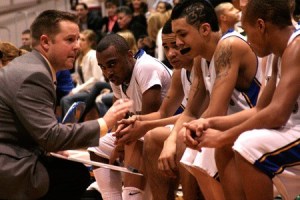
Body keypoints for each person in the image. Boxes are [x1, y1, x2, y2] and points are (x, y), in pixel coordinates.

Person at [0, 10, 132, 199]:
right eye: (70, 40)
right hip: (7, 165)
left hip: (13, 152)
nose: (78, 46)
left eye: (78, 39)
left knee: (73, 172)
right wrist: (105, 122)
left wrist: (49, 145)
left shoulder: (32, 66)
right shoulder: (33, 75)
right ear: (45, 42)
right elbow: (51, 136)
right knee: (75, 176)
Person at [183, 0, 300, 199]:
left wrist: (222, 136)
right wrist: (208, 122)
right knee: (227, 146)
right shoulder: (276, 54)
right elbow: (259, 110)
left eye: (246, 31)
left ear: (261, 26)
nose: (247, 39)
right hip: (292, 130)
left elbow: (277, 114)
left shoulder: (296, 47)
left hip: (292, 129)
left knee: (247, 145)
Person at [157, 0, 261, 200]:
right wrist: (170, 140)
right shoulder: (199, 59)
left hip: (254, 125)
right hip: (228, 127)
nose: (178, 43)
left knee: (196, 141)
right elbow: (190, 112)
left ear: (205, 29)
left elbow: (215, 111)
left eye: (182, 34)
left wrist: (182, 133)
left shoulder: (229, 46)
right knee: (184, 139)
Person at [116, 19, 203, 200]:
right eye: (166, 47)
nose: (171, 53)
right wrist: (137, 121)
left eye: (175, 46)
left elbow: (193, 116)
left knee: (159, 136)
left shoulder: (201, 66)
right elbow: (163, 113)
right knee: (144, 133)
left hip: (202, 126)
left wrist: (144, 124)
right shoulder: (179, 72)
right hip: (187, 124)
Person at [89, 33, 172, 200]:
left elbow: (149, 118)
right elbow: (117, 116)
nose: (108, 72)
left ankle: (132, 196)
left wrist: (120, 145)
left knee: (133, 137)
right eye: (103, 67)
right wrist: (116, 141)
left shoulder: (145, 67)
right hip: (143, 128)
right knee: (96, 145)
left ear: (129, 55)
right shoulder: (117, 77)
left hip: (167, 126)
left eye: (112, 64)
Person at [60, 29, 105, 118]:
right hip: (85, 90)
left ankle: (71, 126)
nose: (79, 42)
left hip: (94, 91)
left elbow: (96, 78)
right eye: (78, 39)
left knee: (66, 100)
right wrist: (76, 90)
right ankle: (69, 126)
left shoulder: (93, 55)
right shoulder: (80, 57)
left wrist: (77, 90)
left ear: (90, 42)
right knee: (63, 99)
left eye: (83, 40)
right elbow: (78, 79)